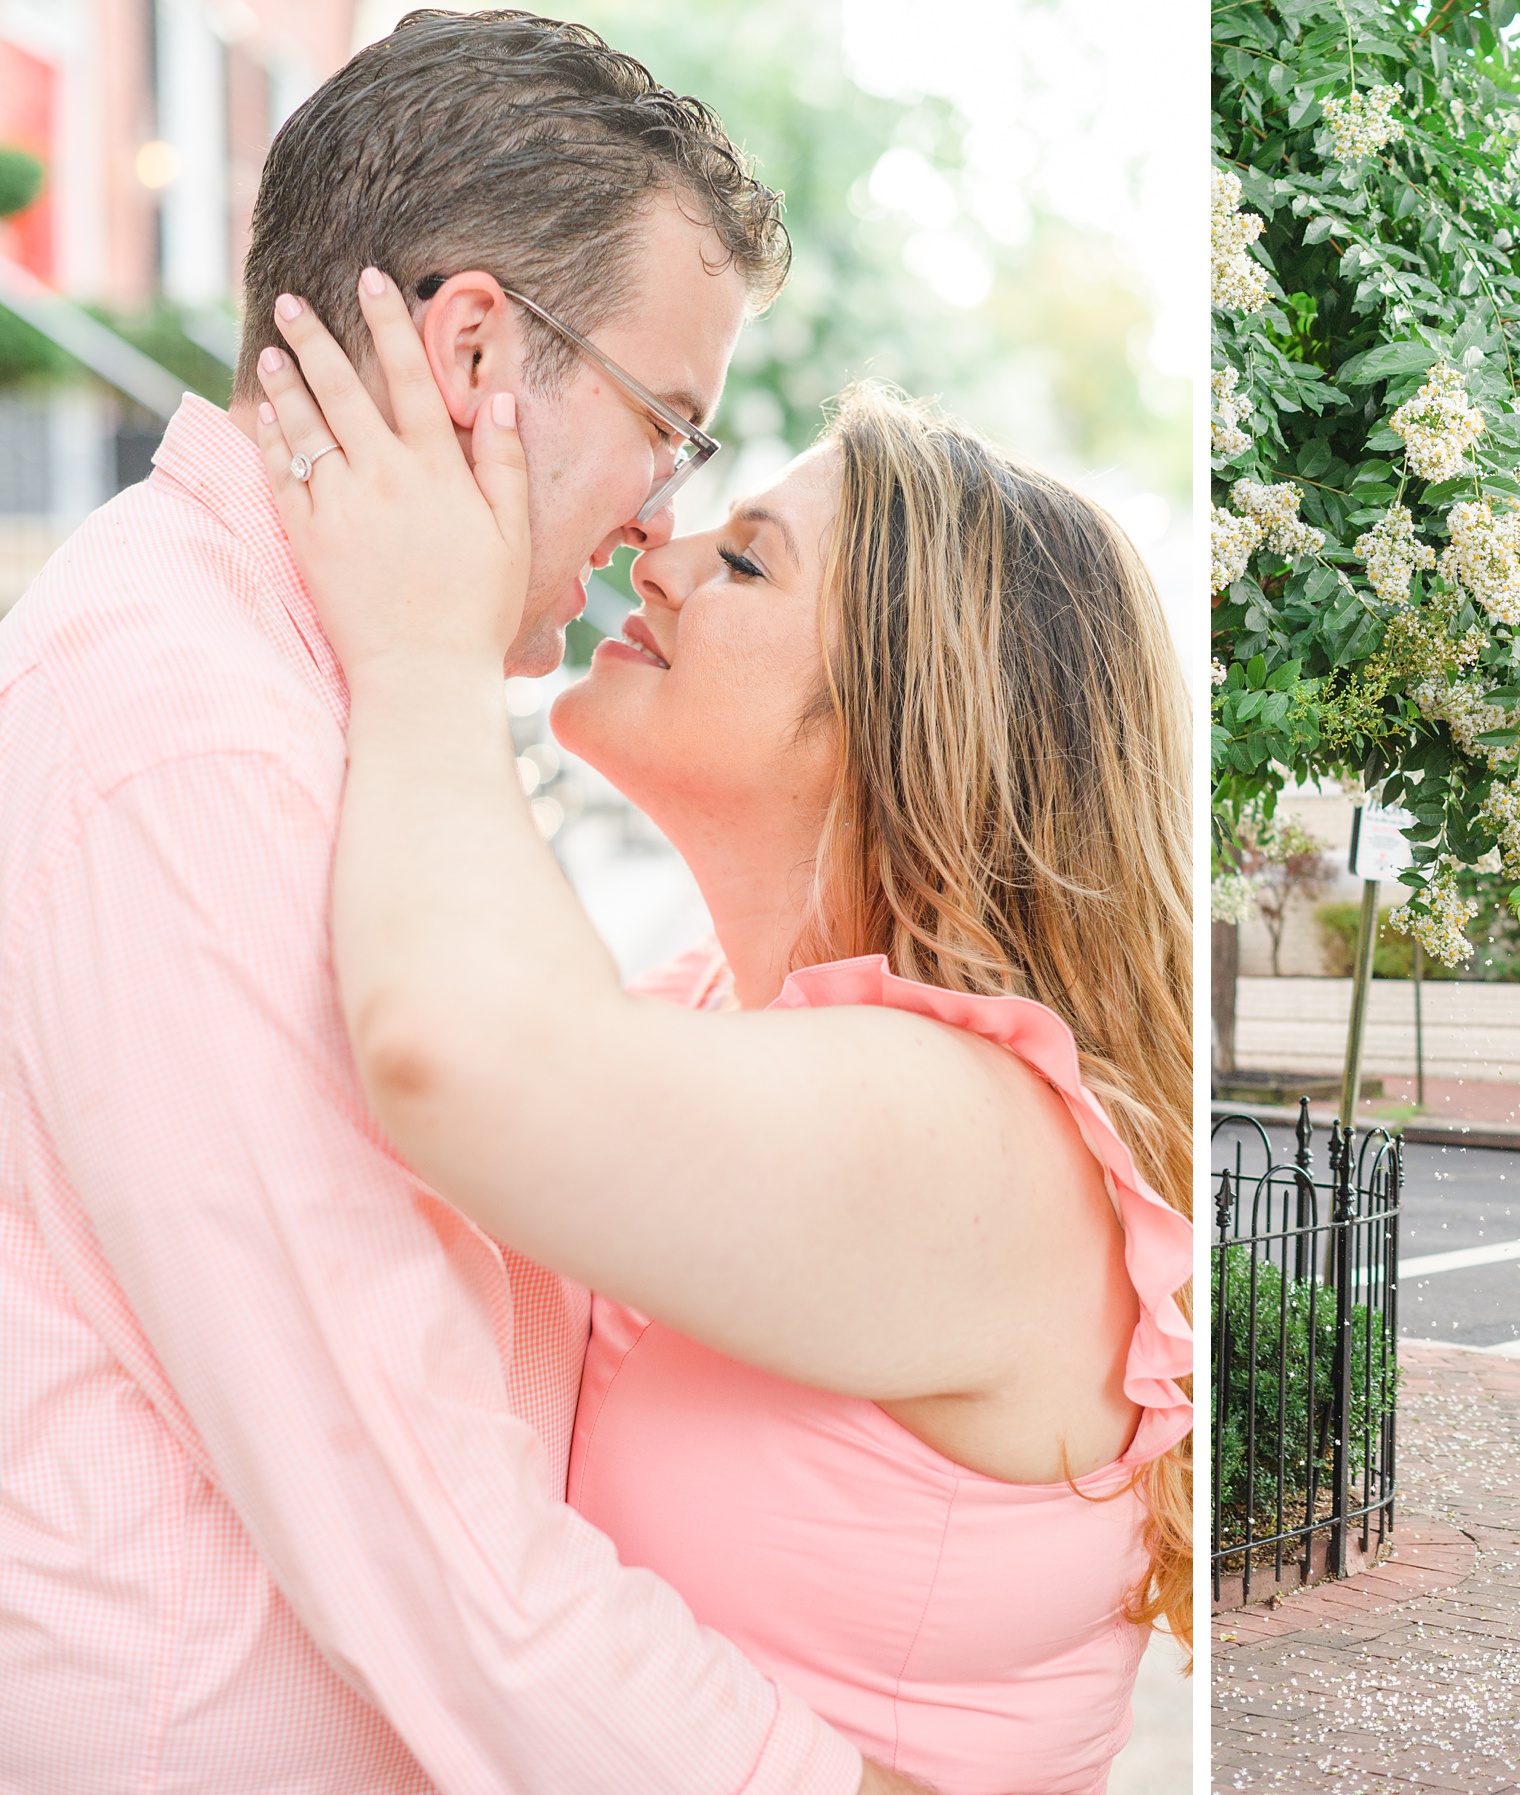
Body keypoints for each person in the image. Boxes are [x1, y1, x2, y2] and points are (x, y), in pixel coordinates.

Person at [0, 15, 910, 1791]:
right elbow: (407, 1507)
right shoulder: (191, 736)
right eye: (669, 427)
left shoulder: (313, 689)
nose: (662, 522)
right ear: (475, 348)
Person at [246, 265, 1193, 1794]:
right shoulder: (715, 1001)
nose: (659, 552)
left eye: (748, 563)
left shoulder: (965, 1129)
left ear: (905, 718)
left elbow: (453, 1051)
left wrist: (425, 646)